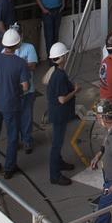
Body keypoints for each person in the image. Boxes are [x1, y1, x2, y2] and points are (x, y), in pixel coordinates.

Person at [0, 27, 29, 178]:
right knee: (12, 136)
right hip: (12, 105)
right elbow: (25, 86)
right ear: (17, 44)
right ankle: (9, 169)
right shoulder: (21, 63)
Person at [46, 42, 79, 186]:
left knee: (58, 143)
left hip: (58, 113)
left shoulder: (55, 71)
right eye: (65, 54)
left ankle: (59, 163)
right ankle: (55, 175)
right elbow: (62, 99)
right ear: (62, 57)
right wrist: (75, 91)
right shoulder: (59, 76)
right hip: (59, 114)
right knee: (56, 144)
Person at [14, 26, 39, 154]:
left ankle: (27, 140)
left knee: (27, 117)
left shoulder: (29, 48)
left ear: (22, 36)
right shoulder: (5, 50)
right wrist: (23, 64)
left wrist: (15, 66)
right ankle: (16, 140)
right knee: (14, 117)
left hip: (27, 91)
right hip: (13, 91)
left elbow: (33, 66)